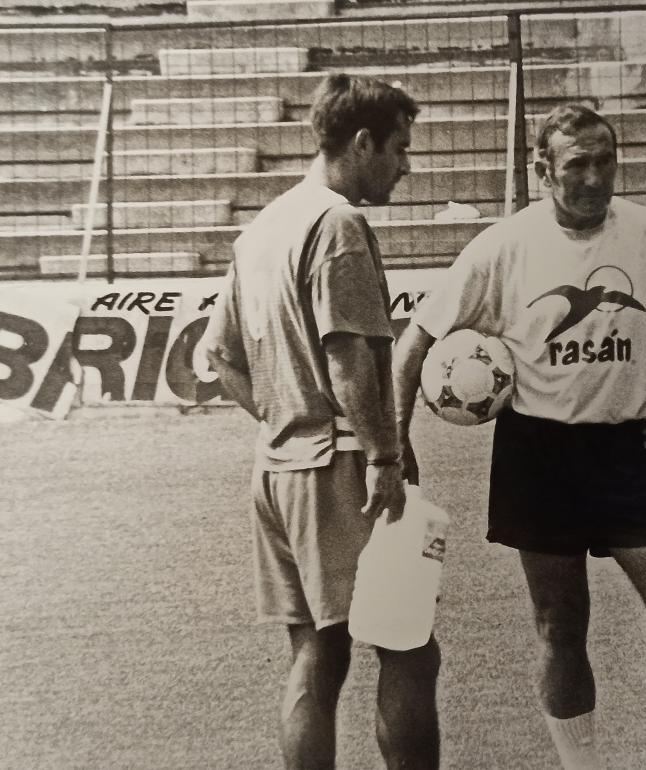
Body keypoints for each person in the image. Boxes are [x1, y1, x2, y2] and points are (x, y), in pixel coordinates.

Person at [393, 103, 646, 770]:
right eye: (578, 164)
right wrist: (397, 441)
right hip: (538, 454)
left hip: (632, 454)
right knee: (559, 622)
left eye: (606, 161)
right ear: (542, 170)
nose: (595, 178)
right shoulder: (501, 247)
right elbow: (416, 344)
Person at [202, 73, 440, 770]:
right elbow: (347, 360)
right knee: (408, 647)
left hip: (277, 471)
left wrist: (282, 419)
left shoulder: (262, 227)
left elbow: (218, 355)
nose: (405, 166)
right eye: (399, 148)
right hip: (341, 469)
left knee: (315, 651)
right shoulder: (337, 224)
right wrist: (384, 458)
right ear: (361, 143)